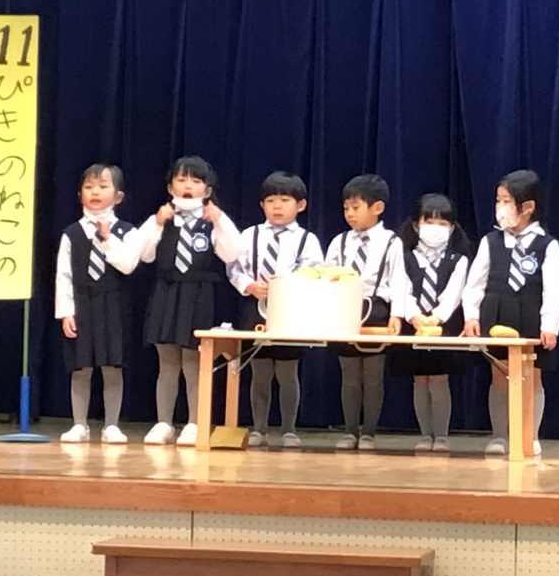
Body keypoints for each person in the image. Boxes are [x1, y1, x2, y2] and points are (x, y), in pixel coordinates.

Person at [139, 155, 240, 447]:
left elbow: (233, 253)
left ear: (207, 190)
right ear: (170, 186)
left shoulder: (212, 221)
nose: (188, 186)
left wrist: (220, 220)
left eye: (196, 181)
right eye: (181, 179)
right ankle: (163, 423)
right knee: (167, 362)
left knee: (194, 363)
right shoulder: (162, 218)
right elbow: (144, 255)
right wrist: (156, 223)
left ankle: (195, 423)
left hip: (197, 295)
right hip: (166, 292)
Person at [462, 170, 559, 456]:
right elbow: (474, 284)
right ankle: (500, 436)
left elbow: (553, 289)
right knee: (499, 375)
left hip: (530, 315)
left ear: (527, 207)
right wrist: (471, 316)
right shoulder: (491, 242)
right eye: (498, 200)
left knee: (532, 377)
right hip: (497, 315)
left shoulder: (547, 245)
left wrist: (550, 325)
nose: (500, 207)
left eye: (507, 201)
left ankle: (529, 435)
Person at [227, 171, 324, 448]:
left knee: (287, 371)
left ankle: (289, 429)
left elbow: (314, 270)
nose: (277, 206)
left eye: (284, 200)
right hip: (254, 307)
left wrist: (287, 283)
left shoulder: (307, 239)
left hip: (290, 310)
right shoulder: (249, 235)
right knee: (259, 371)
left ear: (301, 205)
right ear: (262, 205)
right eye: (270, 201)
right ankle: (259, 428)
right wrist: (249, 285)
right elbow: (234, 267)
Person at [54, 164, 142, 444]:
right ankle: (79, 424)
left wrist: (107, 239)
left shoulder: (127, 231)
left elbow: (127, 265)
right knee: (80, 367)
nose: (95, 192)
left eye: (103, 187)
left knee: (112, 366)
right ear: (79, 194)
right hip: (82, 304)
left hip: (113, 303)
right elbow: (63, 275)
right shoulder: (71, 233)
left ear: (118, 196)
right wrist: (66, 312)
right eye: (89, 187)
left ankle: (111, 425)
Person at [324, 174, 403, 450]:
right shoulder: (340, 241)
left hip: (376, 309)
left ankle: (369, 432)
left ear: (377, 208)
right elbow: (326, 274)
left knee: (372, 376)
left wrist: (397, 314)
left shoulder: (391, 241)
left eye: (356, 207)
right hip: (344, 308)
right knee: (349, 375)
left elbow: (399, 280)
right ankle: (350, 431)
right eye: (346, 208)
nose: (349, 214)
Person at [389, 194, 471, 453]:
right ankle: (425, 434)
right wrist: (415, 317)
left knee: (439, 380)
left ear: (452, 228)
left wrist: (436, 318)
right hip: (414, 326)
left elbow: (454, 294)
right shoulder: (405, 257)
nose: (436, 229)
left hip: (443, 327)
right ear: (416, 225)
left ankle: (442, 435)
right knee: (420, 380)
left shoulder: (458, 260)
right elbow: (401, 288)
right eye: (430, 222)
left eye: (443, 223)